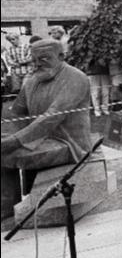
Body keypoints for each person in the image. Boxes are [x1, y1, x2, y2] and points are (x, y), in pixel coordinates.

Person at [1, 39, 92, 218]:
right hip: (40, 139)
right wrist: (7, 134)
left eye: (44, 58)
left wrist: (15, 141)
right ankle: (10, 203)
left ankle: (6, 206)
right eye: (34, 59)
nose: (37, 64)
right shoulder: (32, 80)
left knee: (3, 154)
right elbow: (17, 113)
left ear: (61, 56)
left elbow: (51, 117)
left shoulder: (76, 78)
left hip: (69, 143)